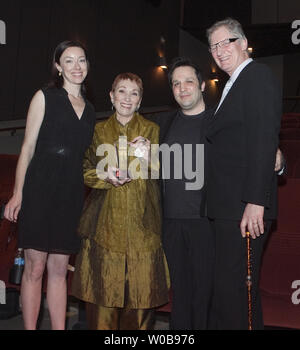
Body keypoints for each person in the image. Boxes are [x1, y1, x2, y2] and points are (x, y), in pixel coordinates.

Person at [4, 40, 96, 330]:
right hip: (39, 190)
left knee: (59, 271)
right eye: (69, 61)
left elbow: (87, 157)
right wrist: (18, 193)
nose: (76, 66)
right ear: (58, 66)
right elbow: (28, 147)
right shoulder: (44, 97)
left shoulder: (91, 109)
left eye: (81, 60)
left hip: (70, 195)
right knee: (35, 268)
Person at [71, 72, 169, 330]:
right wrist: (104, 176)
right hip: (104, 227)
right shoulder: (98, 131)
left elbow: (165, 175)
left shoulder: (153, 130)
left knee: (139, 306)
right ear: (111, 97)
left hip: (143, 228)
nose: (127, 98)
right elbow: (82, 169)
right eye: (122, 91)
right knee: (102, 306)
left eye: (134, 93)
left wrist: (150, 157)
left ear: (140, 101)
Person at [205, 18, 282, 329]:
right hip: (227, 207)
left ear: (243, 42)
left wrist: (255, 200)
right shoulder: (232, 84)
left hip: (244, 207)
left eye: (227, 42)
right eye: (213, 46)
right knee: (230, 292)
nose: (220, 50)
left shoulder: (257, 76)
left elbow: (264, 137)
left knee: (237, 291)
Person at [151, 57, 215, 330]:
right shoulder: (164, 123)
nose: (182, 88)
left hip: (207, 222)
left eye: (188, 81)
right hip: (171, 221)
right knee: (180, 291)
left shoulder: (218, 121)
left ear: (201, 85)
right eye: (176, 83)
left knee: (206, 293)